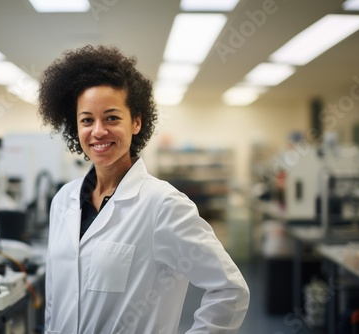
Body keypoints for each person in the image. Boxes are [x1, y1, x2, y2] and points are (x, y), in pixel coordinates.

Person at [37, 44, 250, 334]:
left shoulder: (163, 205)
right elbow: (56, 298)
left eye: (112, 117)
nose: (98, 131)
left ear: (136, 122)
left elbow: (230, 290)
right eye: (87, 120)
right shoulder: (63, 200)